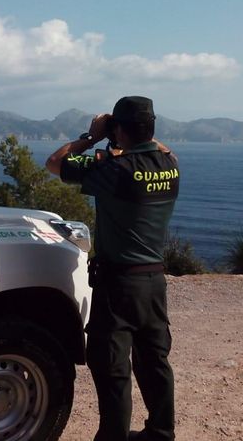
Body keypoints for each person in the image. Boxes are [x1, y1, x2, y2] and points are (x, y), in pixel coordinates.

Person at [46, 96, 178, 441]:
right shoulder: (170, 165)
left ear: (118, 129)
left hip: (118, 285)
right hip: (154, 281)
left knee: (113, 368)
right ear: (151, 127)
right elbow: (158, 147)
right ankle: (161, 433)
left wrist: (91, 137)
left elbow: (55, 162)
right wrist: (125, 135)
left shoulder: (116, 170)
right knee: (154, 362)